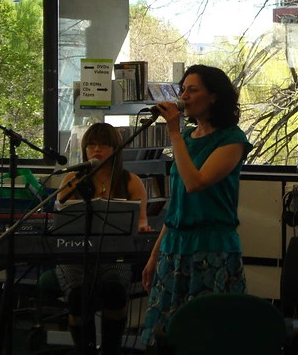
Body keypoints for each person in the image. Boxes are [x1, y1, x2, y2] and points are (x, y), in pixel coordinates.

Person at [140, 64, 253, 352]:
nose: (184, 96)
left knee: (209, 336)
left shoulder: (232, 140)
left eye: (193, 89)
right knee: (166, 338)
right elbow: (177, 204)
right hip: (174, 247)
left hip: (212, 246)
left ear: (214, 97)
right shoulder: (187, 139)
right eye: (182, 90)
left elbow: (195, 183)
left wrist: (175, 133)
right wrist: (154, 255)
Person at [55, 122, 152, 355]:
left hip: (114, 255)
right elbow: (59, 211)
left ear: (115, 148)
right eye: (91, 145)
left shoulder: (130, 181)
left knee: (115, 292)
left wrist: (143, 226)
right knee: (79, 296)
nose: (96, 150)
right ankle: (85, 350)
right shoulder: (72, 178)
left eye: (104, 145)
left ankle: (111, 349)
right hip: (76, 254)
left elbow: (141, 219)